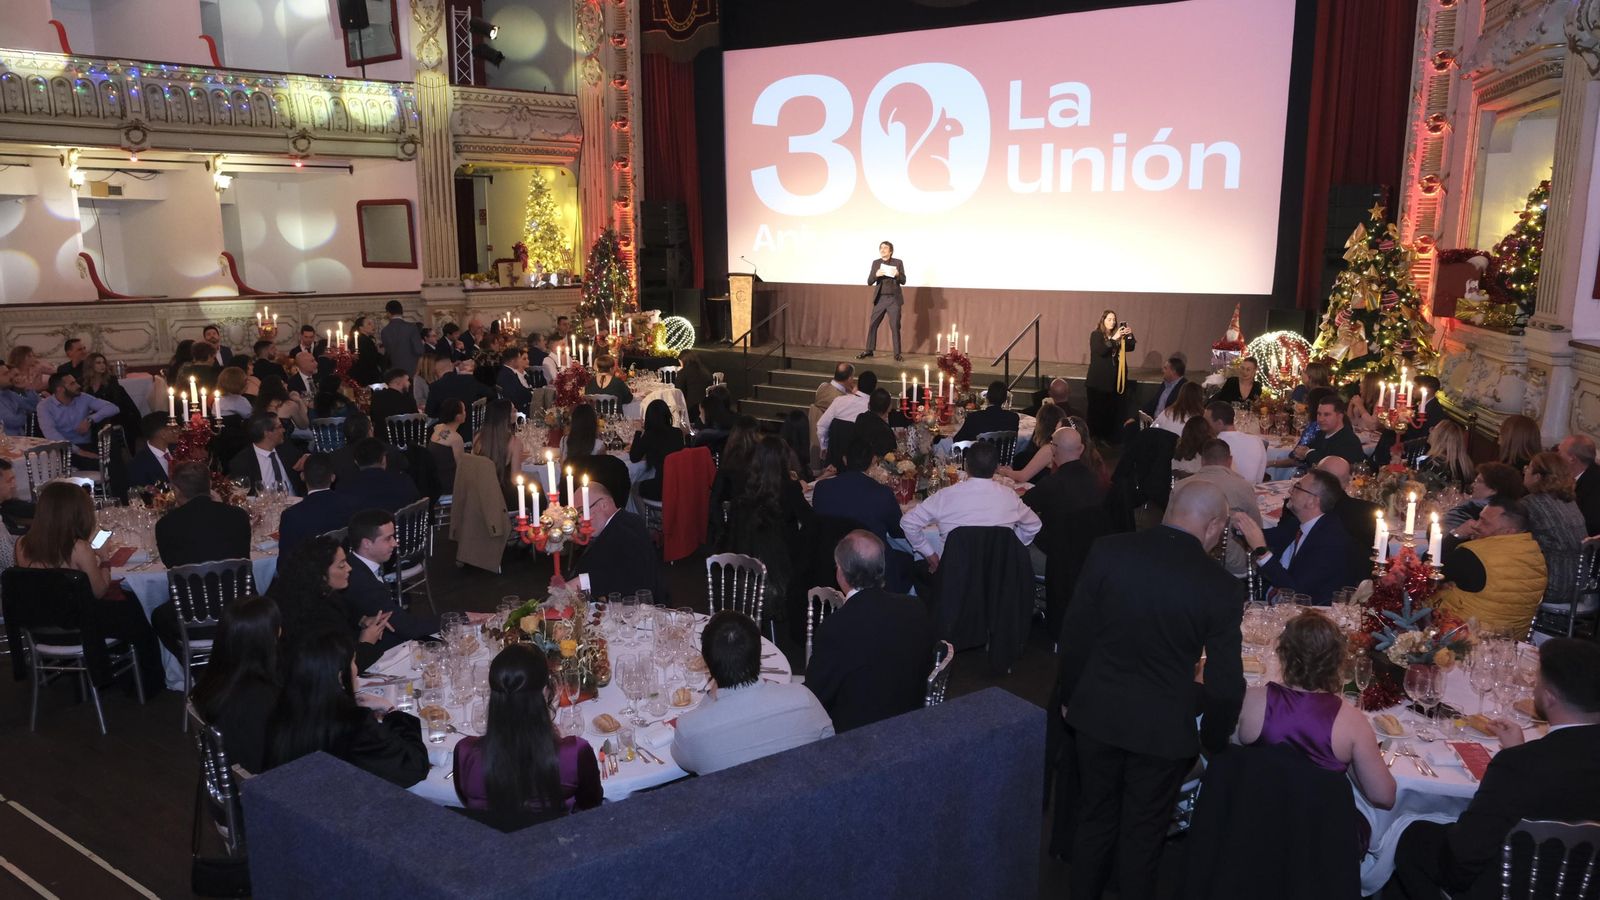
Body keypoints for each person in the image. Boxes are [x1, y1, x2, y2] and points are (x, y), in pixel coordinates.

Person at [1057, 479, 1244, 900]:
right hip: (1162, 730)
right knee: (1143, 836)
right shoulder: (1220, 586)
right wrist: (1212, 738)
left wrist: (1070, 698)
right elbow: (1226, 683)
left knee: (1095, 818)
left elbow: (1075, 636)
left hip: (1097, 713)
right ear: (1215, 526)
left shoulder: (1109, 550)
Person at [1390, 638, 1600, 900]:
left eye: (1538, 682)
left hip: (1512, 885)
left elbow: (1463, 859)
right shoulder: (1527, 759)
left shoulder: (1521, 765)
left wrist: (1517, 757)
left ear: (1549, 696)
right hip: (1586, 883)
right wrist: (1518, 751)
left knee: (1410, 836)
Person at [1234, 612, 1395, 836]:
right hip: (1318, 839)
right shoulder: (1352, 722)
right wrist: (1349, 765)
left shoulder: (1250, 700)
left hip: (1253, 823)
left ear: (1283, 654)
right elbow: (1383, 796)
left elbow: (1226, 756)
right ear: (1338, 661)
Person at [671, 611, 835, 776]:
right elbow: (831, 745)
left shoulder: (690, 729)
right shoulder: (803, 698)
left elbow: (685, 761)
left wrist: (710, 696)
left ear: (707, 664)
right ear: (759, 655)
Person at [804, 531, 934, 732]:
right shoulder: (915, 607)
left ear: (841, 572)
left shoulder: (836, 627)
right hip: (911, 722)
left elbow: (815, 696)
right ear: (881, 569)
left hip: (858, 735)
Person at [451, 644, 601, 817]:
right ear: (545, 692)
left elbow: (468, 803)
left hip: (495, 841)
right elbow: (591, 807)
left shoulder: (466, 753)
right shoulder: (575, 753)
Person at [264, 629, 428, 788]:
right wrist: (392, 711)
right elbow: (414, 767)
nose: (356, 670)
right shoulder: (353, 724)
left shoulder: (282, 714)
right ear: (340, 677)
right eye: (353, 663)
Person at [899, 440, 1040, 573]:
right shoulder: (1010, 497)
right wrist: (1012, 547)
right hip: (997, 578)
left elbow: (908, 522)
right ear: (996, 468)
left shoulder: (945, 496)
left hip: (954, 578)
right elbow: (1034, 525)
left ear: (966, 465)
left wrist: (930, 554)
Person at [1020, 426, 1109, 633]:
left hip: (1056, 560)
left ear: (1055, 450)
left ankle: (1024, 604)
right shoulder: (1095, 481)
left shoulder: (1052, 484)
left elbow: (1020, 508)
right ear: (1080, 449)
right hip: (1089, 557)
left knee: (1013, 547)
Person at [1231, 469, 1356, 605]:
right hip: (1269, 597)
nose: (1290, 491)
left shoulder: (1331, 542)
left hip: (1304, 614)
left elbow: (1296, 593)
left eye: (1297, 487)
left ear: (1312, 501)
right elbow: (1269, 537)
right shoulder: (1298, 522)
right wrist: (1241, 526)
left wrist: (1262, 552)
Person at [189, 595, 282, 773]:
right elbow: (265, 762)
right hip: (256, 785)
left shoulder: (211, 680)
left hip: (231, 778)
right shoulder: (258, 698)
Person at [268, 537, 390, 670]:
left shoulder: (311, 592)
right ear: (321, 575)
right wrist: (367, 642)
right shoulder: (314, 616)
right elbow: (339, 667)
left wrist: (361, 620)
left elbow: (346, 613)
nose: (349, 568)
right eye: (342, 565)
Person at [720, 437, 813, 608]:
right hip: (782, 569)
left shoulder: (745, 491)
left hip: (743, 569)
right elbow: (811, 522)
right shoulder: (790, 490)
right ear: (785, 461)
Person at [1436, 497, 1548, 637]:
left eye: (1485, 523)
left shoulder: (1474, 554)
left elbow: (1431, 570)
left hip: (1464, 639)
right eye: (1479, 518)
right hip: (1512, 641)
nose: (1476, 525)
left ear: (1509, 532)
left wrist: (1457, 534)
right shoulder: (1536, 554)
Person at [565, 455, 667, 601]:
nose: (578, 520)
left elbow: (627, 573)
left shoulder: (626, 530)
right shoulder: (623, 522)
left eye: (581, 511)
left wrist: (581, 582)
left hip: (638, 613)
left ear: (604, 505)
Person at [342, 509, 443, 649]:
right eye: (388, 538)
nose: (395, 543)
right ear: (367, 544)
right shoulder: (363, 583)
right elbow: (408, 628)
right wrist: (459, 618)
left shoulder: (356, 562)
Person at [1520, 451, 1587, 612]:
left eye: (1528, 468)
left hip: (1552, 586)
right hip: (1579, 584)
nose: (1524, 472)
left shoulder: (1530, 503)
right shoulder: (1569, 502)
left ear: (1537, 477)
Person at [1185, 439, 1262, 577]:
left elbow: (1169, 528)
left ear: (1202, 460)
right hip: (1233, 566)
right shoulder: (1242, 487)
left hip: (1188, 559)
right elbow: (1256, 527)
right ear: (1230, 460)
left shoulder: (1181, 486)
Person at [278, 453, 360, 553]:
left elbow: (284, 563)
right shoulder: (353, 504)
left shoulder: (292, 515)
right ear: (333, 477)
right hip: (346, 564)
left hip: (312, 567)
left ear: (303, 476)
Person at [37, 372, 120, 468]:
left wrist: (90, 419)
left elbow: (113, 408)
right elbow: (51, 433)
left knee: (111, 461)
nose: (78, 386)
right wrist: (78, 451)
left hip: (85, 444)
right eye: (72, 384)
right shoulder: (45, 406)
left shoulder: (82, 397)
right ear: (59, 389)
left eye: (75, 382)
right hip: (60, 449)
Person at [1443, 461, 1526, 546]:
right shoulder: (1511, 512)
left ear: (1493, 489)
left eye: (1478, 481)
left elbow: (1442, 541)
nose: (1473, 485)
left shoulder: (1473, 509)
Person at [1276, 393, 1365, 471]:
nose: (1321, 419)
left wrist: (1308, 453)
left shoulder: (1348, 440)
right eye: (1319, 414)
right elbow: (1299, 456)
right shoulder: (1321, 434)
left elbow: (1332, 469)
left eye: (1327, 415)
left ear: (1339, 416)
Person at [1085, 310, 1136, 441]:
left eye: (1114, 319)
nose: (1112, 322)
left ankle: (1109, 438)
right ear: (1103, 320)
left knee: (1111, 412)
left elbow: (1130, 347)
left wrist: (1129, 335)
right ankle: (1095, 438)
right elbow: (1102, 350)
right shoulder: (1096, 335)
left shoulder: (1117, 335)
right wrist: (1114, 338)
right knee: (1097, 412)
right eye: (1109, 319)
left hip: (1114, 382)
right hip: (1098, 383)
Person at [227, 412, 305, 496]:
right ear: (267, 433)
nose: (284, 430)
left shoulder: (286, 449)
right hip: (264, 506)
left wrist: (308, 459)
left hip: (295, 504)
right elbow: (241, 495)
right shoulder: (242, 462)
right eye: (279, 427)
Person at [337, 438, 421, 514]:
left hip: (362, 530)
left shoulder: (344, 488)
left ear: (356, 462)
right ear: (384, 460)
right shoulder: (404, 481)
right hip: (402, 530)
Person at [629, 398, 685, 502]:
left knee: (632, 486)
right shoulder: (678, 433)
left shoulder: (649, 436)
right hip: (680, 484)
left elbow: (634, 457)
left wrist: (638, 432)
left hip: (661, 487)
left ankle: (645, 517)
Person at [425, 358, 494, 442]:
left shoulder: (435, 386)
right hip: (474, 430)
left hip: (447, 435)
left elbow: (430, 412)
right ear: (452, 367)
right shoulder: (470, 379)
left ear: (436, 372)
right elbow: (491, 394)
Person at [859, 240, 907, 361]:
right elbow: (869, 282)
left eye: (885, 248)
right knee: (873, 324)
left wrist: (897, 274)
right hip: (880, 298)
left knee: (895, 326)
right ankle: (869, 350)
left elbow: (903, 280)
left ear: (890, 251)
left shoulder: (898, 262)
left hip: (894, 299)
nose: (882, 250)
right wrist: (876, 275)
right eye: (881, 248)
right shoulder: (876, 263)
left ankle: (897, 354)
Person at [815, 370, 877, 455]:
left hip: (835, 458)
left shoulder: (839, 400)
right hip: (861, 460)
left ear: (858, 385)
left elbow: (821, 426)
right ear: (874, 388)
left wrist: (825, 447)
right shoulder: (874, 408)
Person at [1204, 401, 1267, 483]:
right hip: (1251, 491)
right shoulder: (1257, 440)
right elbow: (1259, 479)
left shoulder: (1213, 445)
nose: (1204, 426)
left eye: (1206, 422)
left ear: (1219, 423)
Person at [952, 381, 1021, 444]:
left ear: (987, 397)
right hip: (1004, 457)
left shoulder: (975, 417)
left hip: (978, 456)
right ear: (1004, 400)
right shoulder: (1013, 418)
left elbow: (957, 440)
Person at [1558, 433, 1600, 535]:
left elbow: (1590, 524)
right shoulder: (1581, 475)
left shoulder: (1595, 484)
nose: (1557, 456)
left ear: (1572, 459)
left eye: (1560, 453)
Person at [1418, 419, 1475, 492]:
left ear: (1440, 438)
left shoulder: (1434, 463)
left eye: (1433, 429)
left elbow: (1419, 489)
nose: (1430, 431)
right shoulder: (1466, 464)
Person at [127, 412, 178, 490]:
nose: (178, 431)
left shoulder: (178, 450)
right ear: (163, 433)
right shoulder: (139, 464)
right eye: (174, 429)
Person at [368, 368, 419, 442]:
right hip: (406, 442)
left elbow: (373, 418)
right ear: (398, 382)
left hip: (383, 442)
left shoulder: (377, 397)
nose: (409, 383)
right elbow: (416, 421)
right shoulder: (407, 399)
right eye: (407, 380)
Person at [379, 300, 427, 377]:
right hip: (413, 370)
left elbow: (388, 352)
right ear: (402, 311)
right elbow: (419, 350)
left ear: (388, 313)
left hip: (395, 372)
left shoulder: (385, 331)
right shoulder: (411, 327)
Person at [852, 389, 898, 459]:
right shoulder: (885, 430)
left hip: (854, 461)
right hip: (874, 467)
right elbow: (891, 457)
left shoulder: (861, 418)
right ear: (889, 408)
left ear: (869, 405)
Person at [676, 350, 714, 426]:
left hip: (691, 411)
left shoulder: (683, 373)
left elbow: (679, 392)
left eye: (680, 362)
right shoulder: (704, 371)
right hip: (709, 407)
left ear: (683, 361)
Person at [0, 362, 35, 436]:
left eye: (9, 373)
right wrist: (23, 412)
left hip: (19, 440)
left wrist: (27, 388)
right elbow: (11, 421)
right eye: (5, 374)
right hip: (6, 442)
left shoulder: (8, 393)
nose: (10, 377)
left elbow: (33, 407)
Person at [495, 347, 534, 413]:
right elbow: (515, 395)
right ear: (513, 360)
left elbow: (520, 389)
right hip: (516, 410)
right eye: (519, 358)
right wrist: (533, 396)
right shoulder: (507, 375)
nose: (520, 361)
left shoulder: (507, 372)